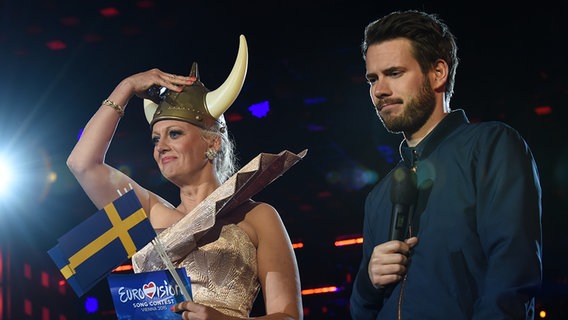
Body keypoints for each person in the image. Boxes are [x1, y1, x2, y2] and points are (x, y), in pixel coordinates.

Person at [66, 35, 303, 319]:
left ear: (212, 143)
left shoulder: (259, 217)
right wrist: (126, 87)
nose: (161, 146)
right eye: (155, 139)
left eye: (174, 134)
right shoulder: (148, 212)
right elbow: (82, 164)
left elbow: (288, 316)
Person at [349, 10, 542, 319]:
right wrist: (368, 282)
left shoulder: (490, 146)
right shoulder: (379, 196)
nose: (379, 90)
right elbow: (362, 312)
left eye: (394, 73)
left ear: (438, 73)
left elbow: (513, 272)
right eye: (373, 78)